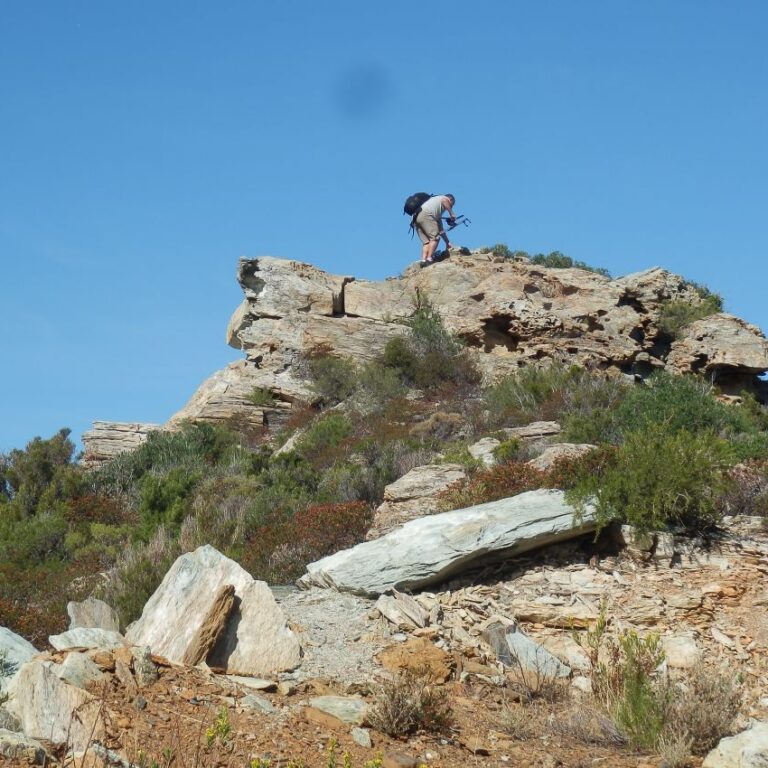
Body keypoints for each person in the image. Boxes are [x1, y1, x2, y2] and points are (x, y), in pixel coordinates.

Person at [413, 194, 458, 264]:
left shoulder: (435, 210)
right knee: (435, 238)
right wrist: (451, 213)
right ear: (450, 200)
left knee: (427, 242)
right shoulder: (444, 198)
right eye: (452, 204)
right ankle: (429, 258)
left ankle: (423, 260)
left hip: (415, 218)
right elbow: (444, 200)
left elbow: (440, 230)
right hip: (426, 215)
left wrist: (447, 242)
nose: (451, 206)